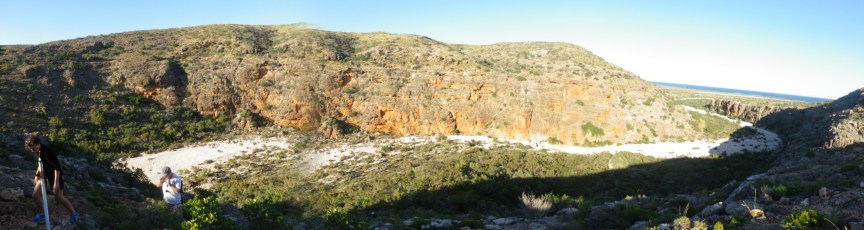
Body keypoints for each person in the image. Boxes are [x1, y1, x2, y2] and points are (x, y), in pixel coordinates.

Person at [25, 133, 78, 225]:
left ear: (37, 143)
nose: (32, 151)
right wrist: (37, 175)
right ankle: (43, 214)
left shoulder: (48, 152)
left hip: (55, 176)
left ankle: (74, 213)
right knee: (35, 195)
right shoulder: (38, 152)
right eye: (31, 149)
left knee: (59, 197)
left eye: (33, 148)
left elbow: (57, 168)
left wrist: (56, 183)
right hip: (44, 176)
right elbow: (40, 163)